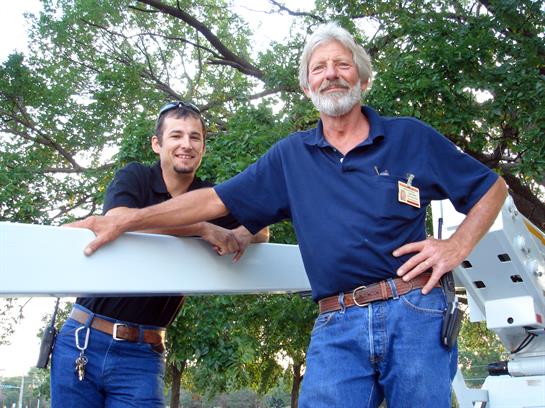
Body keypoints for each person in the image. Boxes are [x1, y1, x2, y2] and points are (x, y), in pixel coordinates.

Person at [70, 22, 508, 407]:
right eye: (318, 68)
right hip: (336, 321)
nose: (331, 74)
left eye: (342, 64)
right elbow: (215, 201)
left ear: (364, 79)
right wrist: (125, 220)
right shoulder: (290, 156)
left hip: (413, 308)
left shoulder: (410, 136)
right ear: (306, 88)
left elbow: (492, 187)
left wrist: (455, 247)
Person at [52, 101, 268, 407]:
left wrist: (244, 232)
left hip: (143, 353)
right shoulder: (135, 176)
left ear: (203, 148)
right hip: (83, 340)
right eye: (176, 136)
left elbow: (263, 230)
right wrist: (201, 228)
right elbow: (118, 221)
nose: (186, 145)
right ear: (157, 143)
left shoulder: (210, 197)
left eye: (195, 138)